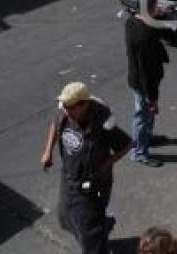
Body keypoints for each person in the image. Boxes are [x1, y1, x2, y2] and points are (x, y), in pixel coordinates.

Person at [40, 82, 131, 254]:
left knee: (90, 231)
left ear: (84, 104)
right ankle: (103, 225)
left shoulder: (104, 122)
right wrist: (48, 152)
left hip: (93, 183)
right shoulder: (65, 111)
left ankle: (97, 240)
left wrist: (105, 165)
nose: (65, 110)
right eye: (64, 106)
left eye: (70, 107)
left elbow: (126, 144)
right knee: (65, 216)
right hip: (69, 178)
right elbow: (55, 123)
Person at [125, 0, 168, 167]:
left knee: (145, 114)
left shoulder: (131, 22)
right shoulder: (146, 36)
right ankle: (139, 152)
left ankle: (147, 138)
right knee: (143, 115)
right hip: (144, 84)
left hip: (136, 79)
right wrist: (153, 99)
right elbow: (147, 72)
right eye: (155, 5)